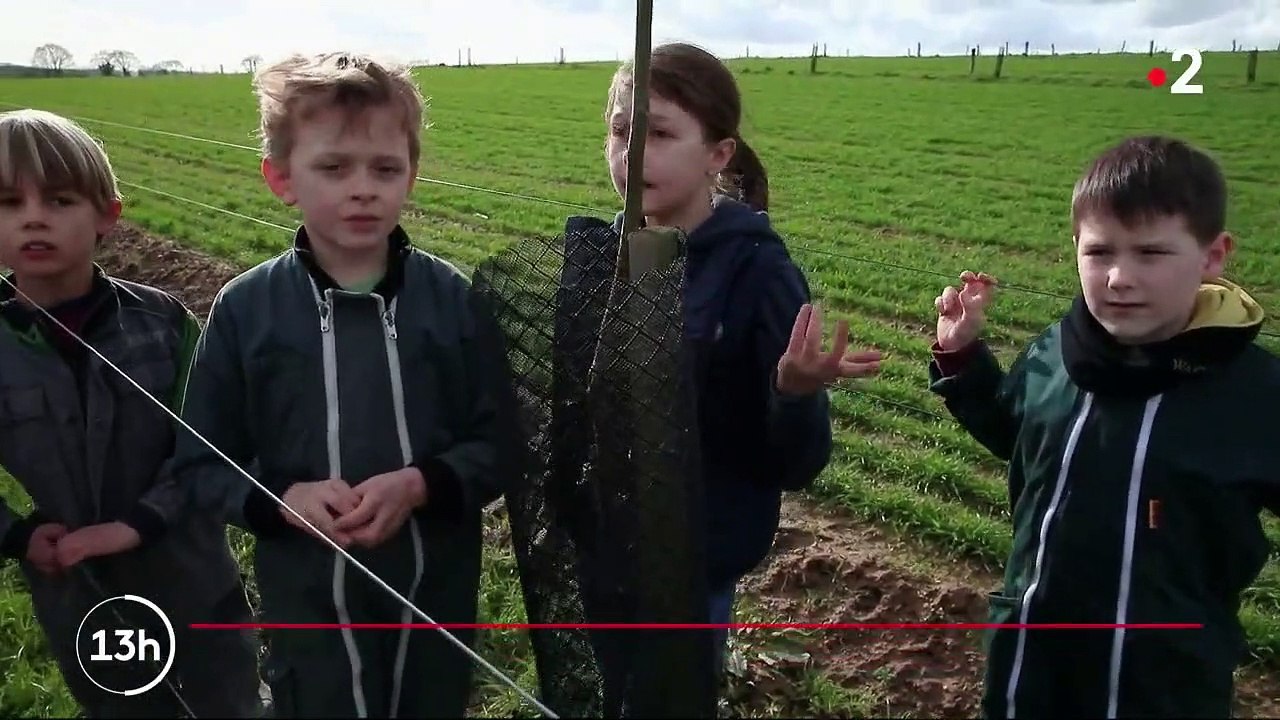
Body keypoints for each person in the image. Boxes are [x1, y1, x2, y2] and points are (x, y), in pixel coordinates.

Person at [171, 52, 519, 719]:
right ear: (282, 178)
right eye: (333, 168)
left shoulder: (453, 302)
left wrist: (421, 484)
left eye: (385, 169)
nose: (363, 188)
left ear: (411, 175)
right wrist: (281, 500)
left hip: (432, 595)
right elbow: (201, 463)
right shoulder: (246, 310)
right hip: (307, 604)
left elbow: (501, 443)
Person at [564, 41, 883, 697]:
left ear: (718, 153)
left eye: (659, 133)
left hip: (696, 554)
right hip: (607, 543)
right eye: (622, 132)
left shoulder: (756, 272)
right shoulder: (608, 255)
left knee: (670, 693)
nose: (631, 153)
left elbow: (793, 462)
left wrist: (793, 392)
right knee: (611, 687)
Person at [928, 135, 1280, 718]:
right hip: (1028, 663)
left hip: (1164, 683)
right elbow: (1026, 443)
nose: (1119, 277)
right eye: (1099, 252)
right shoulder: (1054, 354)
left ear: (1213, 255)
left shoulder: (1254, 393)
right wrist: (964, 364)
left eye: (1151, 253)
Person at [0, 108, 261, 717]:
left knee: (228, 700)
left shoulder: (166, 324)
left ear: (107, 217)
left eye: (60, 199)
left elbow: (212, 442)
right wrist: (19, 535)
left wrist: (140, 521)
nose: (34, 217)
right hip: (79, 590)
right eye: (9, 202)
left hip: (193, 578)